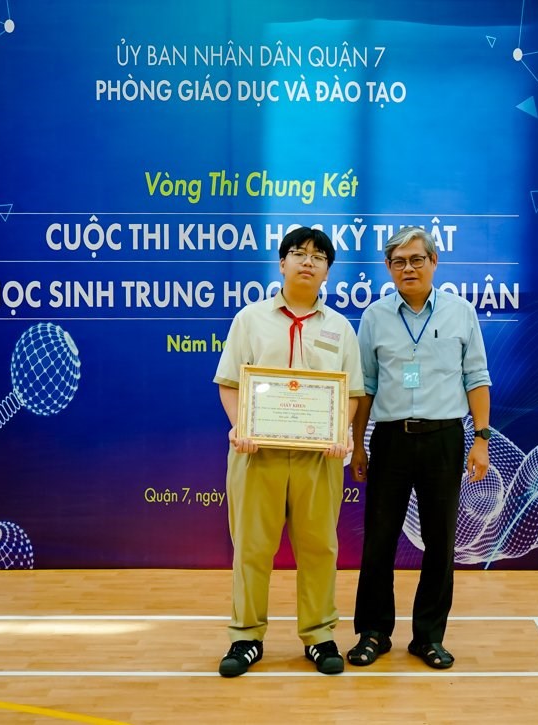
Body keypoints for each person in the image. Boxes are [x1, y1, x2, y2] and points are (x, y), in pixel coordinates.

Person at [213, 226, 365, 677]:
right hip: (256, 453)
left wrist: (342, 432)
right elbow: (229, 383)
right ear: (282, 263)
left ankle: (319, 635)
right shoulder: (250, 319)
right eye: (298, 253)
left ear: (328, 271)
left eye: (318, 256)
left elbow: (352, 393)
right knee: (251, 548)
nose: (307, 261)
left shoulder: (340, 328)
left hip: (319, 459)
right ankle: (246, 637)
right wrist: (241, 426)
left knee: (320, 548)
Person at [347, 226, 492, 670]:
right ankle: (373, 632)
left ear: (434, 262)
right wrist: (358, 446)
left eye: (416, 259)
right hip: (390, 439)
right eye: (398, 262)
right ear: (388, 268)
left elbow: (477, 378)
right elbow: (366, 387)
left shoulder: (460, 312)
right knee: (379, 540)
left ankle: (428, 637)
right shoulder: (374, 316)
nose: (407, 268)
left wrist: (481, 438)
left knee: (440, 542)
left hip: (444, 439)